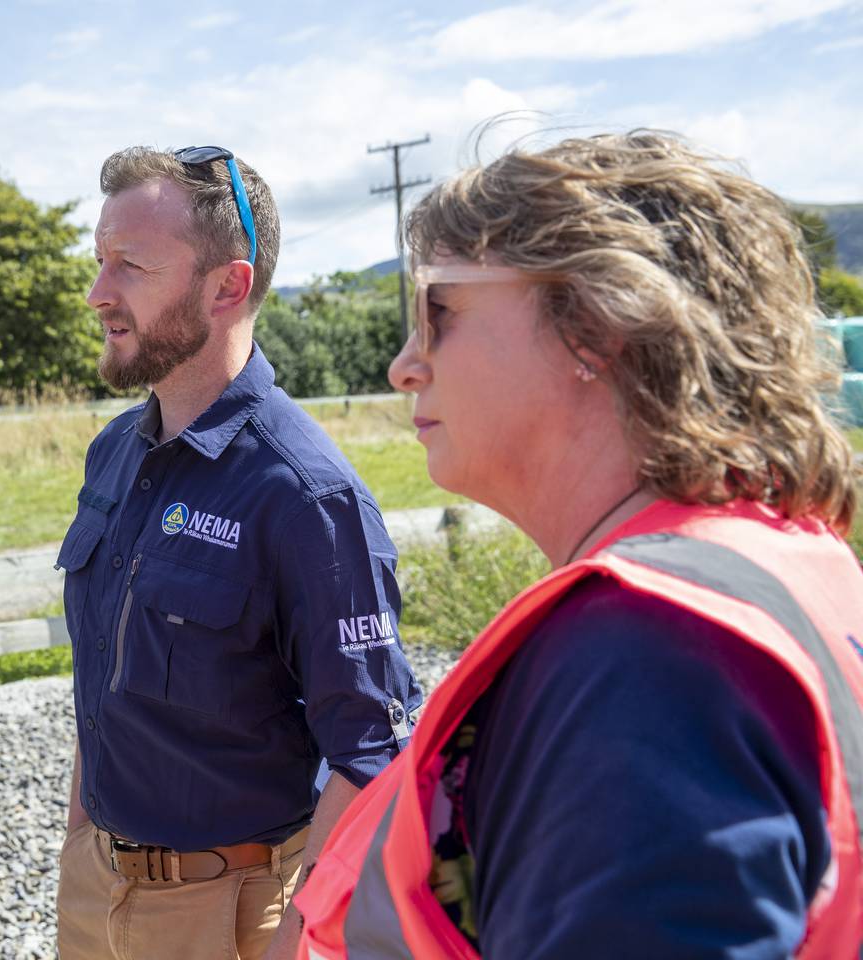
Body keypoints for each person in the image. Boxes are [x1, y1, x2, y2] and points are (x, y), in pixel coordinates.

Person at [293, 131, 863, 959]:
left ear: (596, 324)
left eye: (438, 310)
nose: (403, 365)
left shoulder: (645, 656)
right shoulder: (787, 563)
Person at [56, 146, 422, 960]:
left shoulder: (308, 495)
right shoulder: (115, 451)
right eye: (98, 261)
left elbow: (372, 749)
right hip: (94, 890)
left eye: (130, 266)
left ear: (228, 285)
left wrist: (296, 934)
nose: (97, 293)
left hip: (234, 914)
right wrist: (81, 845)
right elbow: (103, 675)